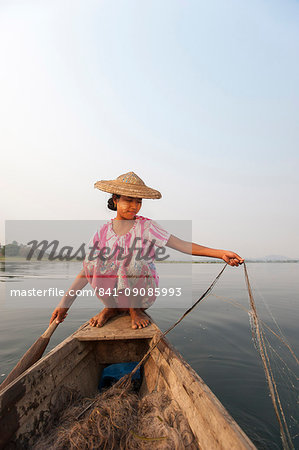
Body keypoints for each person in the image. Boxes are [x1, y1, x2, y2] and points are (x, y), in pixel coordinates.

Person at [50, 171, 244, 329]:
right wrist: (64, 303)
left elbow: (182, 245)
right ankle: (111, 307)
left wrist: (220, 253)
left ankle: (135, 309)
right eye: (129, 200)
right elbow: (86, 271)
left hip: (141, 291)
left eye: (139, 201)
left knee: (134, 257)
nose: (135, 206)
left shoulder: (147, 227)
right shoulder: (102, 231)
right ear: (115, 200)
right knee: (93, 261)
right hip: (114, 293)